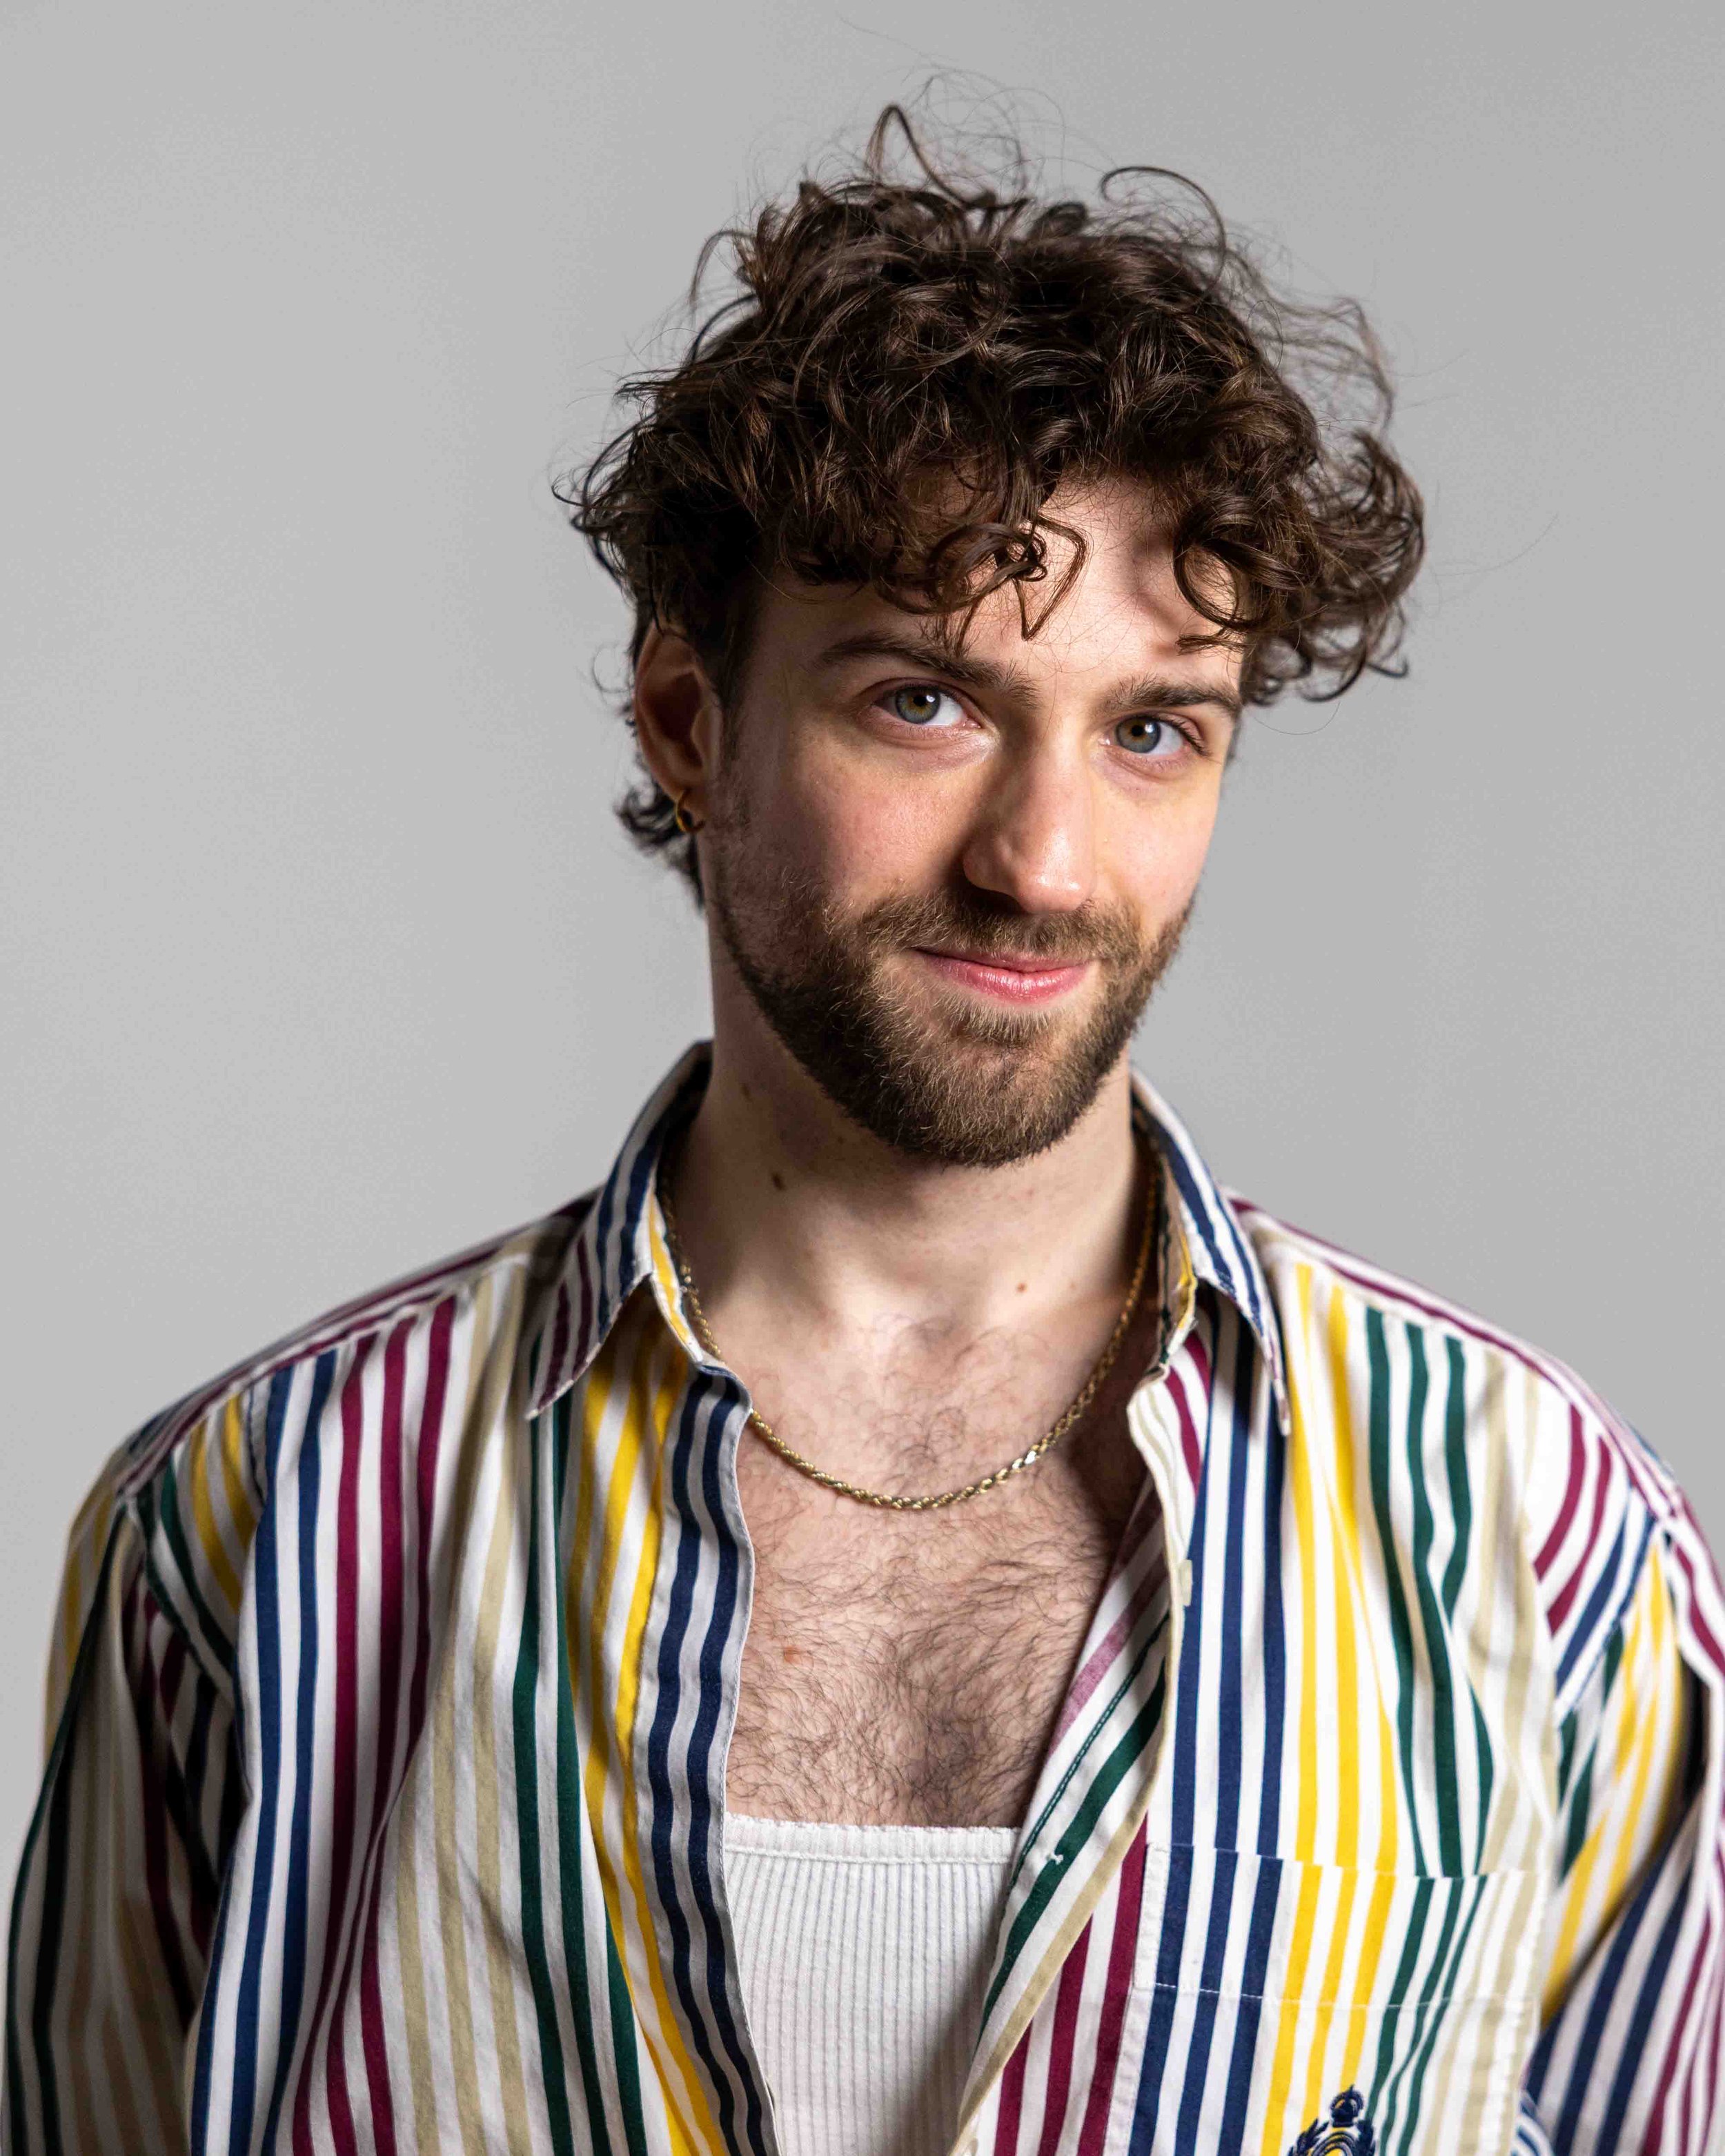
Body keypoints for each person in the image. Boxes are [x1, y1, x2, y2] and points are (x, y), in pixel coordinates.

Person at [6, 104, 1719, 2156]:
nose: (1045, 860)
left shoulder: (1531, 1536)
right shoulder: (258, 1527)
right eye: (923, 701)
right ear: (686, 720)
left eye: (1153, 728)